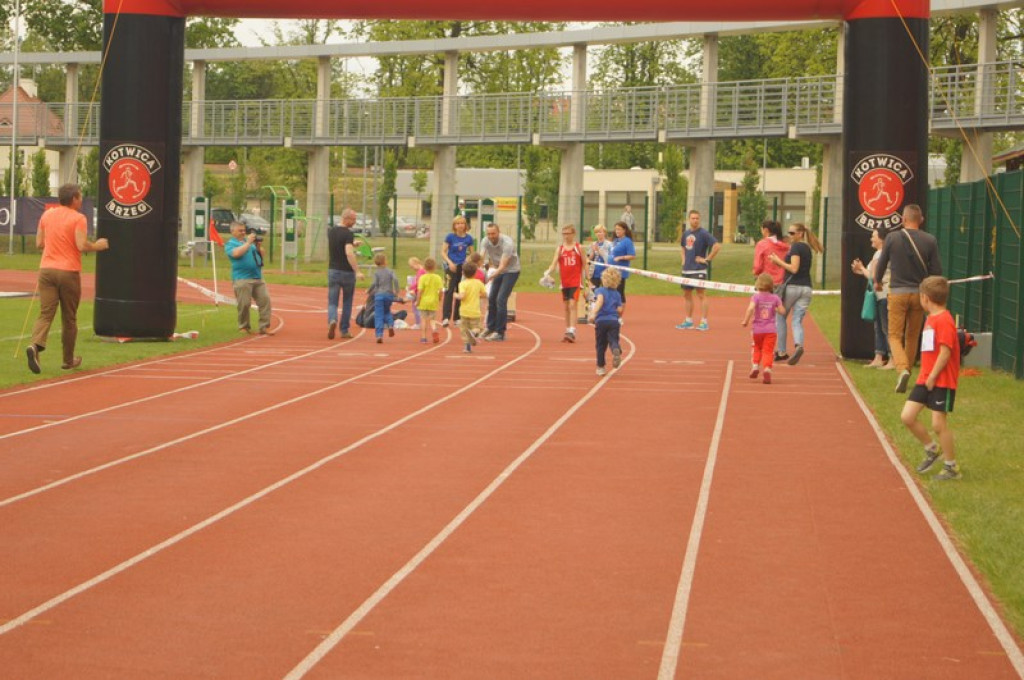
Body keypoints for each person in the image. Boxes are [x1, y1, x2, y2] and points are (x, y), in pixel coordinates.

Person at [26, 183, 110, 373]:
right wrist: (99, 245)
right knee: (69, 318)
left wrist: (55, 242)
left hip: (46, 270)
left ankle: (35, 345)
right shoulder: (79, 218)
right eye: (80, 197)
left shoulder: (47, 214)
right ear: (73, 199)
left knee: (46, 313)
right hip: (68, 272)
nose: (81, 200)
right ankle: (68, 359)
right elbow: (81, 245)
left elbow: (39, 243)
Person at [875, 204, 942, 393]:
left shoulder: (892, 238)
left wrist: (878, 281)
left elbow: (882, 264)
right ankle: (908, 371)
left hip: (897, 292)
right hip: (920, 295)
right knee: (913, 335)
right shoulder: (930, 240)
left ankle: (902, 369)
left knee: (894, 334)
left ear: (903, 220)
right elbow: (936, 271)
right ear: (921, 220)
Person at [902, 276, 961, 480]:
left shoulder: (944, 320)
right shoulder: (931, 318)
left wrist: (933, 376)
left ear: (925, 298)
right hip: (925, 377)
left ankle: (951, 466)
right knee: (907, 416)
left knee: (938, 424)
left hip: (941, 379)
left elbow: (945, 352)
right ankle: (931, 448)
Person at [768, 222, 823, 365]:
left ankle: (781, 351)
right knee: (797, 320)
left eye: (792, 233)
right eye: (789, 233)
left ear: (800, 234)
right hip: (806, 289)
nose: (789, 235)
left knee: (780, 317)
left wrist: (777, 261)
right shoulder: (807, 248)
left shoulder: (797, 247)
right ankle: (798, 345)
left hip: (793, 287)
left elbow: (794, 268)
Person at [852, 227, 893, 369]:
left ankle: (893, 358)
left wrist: (862, 268)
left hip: (885, 294)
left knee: (886, 327)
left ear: (881, 239)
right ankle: (879, 356)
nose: (871, 239)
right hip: (880, 294)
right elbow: (870, 274)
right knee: (879, 327)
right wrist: (860, 269)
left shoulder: (882, 254)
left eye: (873, 236)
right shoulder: (878, 254)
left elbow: (873, 276)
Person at [226, 220, 274, 336]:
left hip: (257, 277)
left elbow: (261, 254)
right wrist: (247, 243)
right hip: (242, 278)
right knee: (244, 304)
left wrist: (257, 246)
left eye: (244, 230)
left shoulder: (250, 244)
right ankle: (244, 326)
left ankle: (265, 326)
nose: (243, 232)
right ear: (232, 231)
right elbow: (236, 254)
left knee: (265, 300)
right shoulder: (230, 244)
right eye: (240, 230)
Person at [675, 209, 721, 331]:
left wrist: (707, 259)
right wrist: (683, 260)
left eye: (697, 218)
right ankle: (688, 321)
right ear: (689, 219)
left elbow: (717, 246)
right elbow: (683, 248)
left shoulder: (704, 233)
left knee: (701, 294)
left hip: (698, 270)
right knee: (686, 294)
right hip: (686, 270)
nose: (695, 220)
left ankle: (704, 321)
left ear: (699, 220)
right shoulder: (686, 234)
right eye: (693, 218)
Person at [741, 273, 787, 384]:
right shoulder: (775, 298)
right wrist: (775, 309)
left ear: (758, 284)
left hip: (757, 329)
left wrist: (745, 321)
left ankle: (755, 366)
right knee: (768, 350)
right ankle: (767, 369)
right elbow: (783, 311)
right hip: (770, 330)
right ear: (771, 285)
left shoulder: (755, 297)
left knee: (756, 347)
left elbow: (750, 309)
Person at [544, 224, 585, 342]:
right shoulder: (560, 249)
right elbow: (553, 263)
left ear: (573, 234)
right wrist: (547, 273)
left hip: (575, 281)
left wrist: (589, 281)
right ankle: (567, 329)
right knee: (566, 306)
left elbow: (585, 263)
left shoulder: (578, 248)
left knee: (573, 305)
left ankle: (572, 330)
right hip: (564, 282)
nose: (566, 236)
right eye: (564, 234)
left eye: (568, 233)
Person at [326, 208, 363, 340]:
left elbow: (339, 245)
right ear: (346, 218)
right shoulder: (348, 233)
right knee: (347, 302)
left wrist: (353, 244)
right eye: (353, 219)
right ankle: (344, 329)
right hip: (347, 272)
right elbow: (348, 253)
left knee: (332, 301)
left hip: (333, 271)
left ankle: (332, 319)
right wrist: (357, 270)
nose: (354, 222)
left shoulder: (331, 231)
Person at [480, 223, 520, 342]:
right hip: (498, 270)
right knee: (492, 298)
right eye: (488, 234)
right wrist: (477, 270)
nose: (491, 236)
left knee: (501, 299)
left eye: (493, 234)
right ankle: (490, 327)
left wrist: (490, 276)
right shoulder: (485, 241)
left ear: (499, 232)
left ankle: (500, 332)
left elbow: (503, 265)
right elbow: (481, 257)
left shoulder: (507, 243)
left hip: (511, 271)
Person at [587, 267, 624, 377]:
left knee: (600, 345)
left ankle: (601, 367)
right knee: (613, 340)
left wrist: (593, 314)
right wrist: (618, 316)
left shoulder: (600, 291)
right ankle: (615, 349)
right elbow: (620, 309)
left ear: (603, 279)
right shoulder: (617, 294)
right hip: (613, 321)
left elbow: (599, 301)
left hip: (601, 321)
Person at [442, 215, 474, 326]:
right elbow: (443, 252)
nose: (460, 225)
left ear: (465, 225)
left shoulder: (468, 238)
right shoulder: (450, 237)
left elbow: (472, 253)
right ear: (454, 225)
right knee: (448, 291)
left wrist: (467, 260)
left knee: (461, 291)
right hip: (450, 267)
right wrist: (450, 263)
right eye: (458, 223)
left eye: (462, 223)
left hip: (462, 267)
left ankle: (457, 318)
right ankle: (445, 317)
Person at [365, 252, 401, 343]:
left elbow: (374, 284)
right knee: (387, 311)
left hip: (379, 295)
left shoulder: (376, 273)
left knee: (379, 315)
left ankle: (379, 335)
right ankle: (390, 325)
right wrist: (396, 291)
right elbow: (396, 280)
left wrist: (369, 291)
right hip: (389, 295)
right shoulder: (390, 271)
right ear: (385, 262)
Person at [454, 261, 487, 353]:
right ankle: (474, 332)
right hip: (475, 311)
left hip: (464, 311)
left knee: (464, 330)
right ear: (476, 272)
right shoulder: (478, 283)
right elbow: (484, 295)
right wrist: (477, 295)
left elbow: (462, 296)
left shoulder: (462, 284)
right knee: (478, 327)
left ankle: (467, 347)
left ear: (463, 273)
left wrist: (455, 295)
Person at [609, 221, 636, 321]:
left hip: (620, 272)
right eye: (616, 229)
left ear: (624, 230)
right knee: (611, 293)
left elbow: (632, 255)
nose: (617, 231)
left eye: (619, 229)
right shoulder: (615, 241)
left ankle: (619, 317)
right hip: (611, 271)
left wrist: (621, 257)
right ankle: (612, 313)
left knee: (619, 293)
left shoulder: (627, 241)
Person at [752, 219, 790, 287]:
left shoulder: (762, 244)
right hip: (784, 282)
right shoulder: (786, 246)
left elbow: (758, 266)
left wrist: (755, 273)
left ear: (765, 230)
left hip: (767, 283)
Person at [415, 258, 444, 344]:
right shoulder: (438, 278)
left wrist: (417, 301)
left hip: (424, 301)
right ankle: (434, 329)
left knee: (423, 319)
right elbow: (441, 290)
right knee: (432, 319)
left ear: (424, 267)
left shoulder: (422, 278)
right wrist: (439, 298)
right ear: (434, 267)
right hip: (433, 301)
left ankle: (423, 337)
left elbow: (420, 291)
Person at [587, 224, 613, 289]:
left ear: (604, 233)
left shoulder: (609, 244)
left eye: (600, 232)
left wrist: (599, 250)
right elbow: (589, 259)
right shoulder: (593, 244)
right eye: (597, 232)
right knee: (593, 293)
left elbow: (609, 259)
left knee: (606, 292)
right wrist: (593, 251)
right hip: (594, 272)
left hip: (605, 272)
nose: (598, 234)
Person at [406, 256, 425, 329]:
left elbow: (418, 283)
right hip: (417, 291)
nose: (412, 268)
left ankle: (418, 323)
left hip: (418, 292)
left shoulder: (421, 272)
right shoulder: (420, 271)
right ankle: (418, 323)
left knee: (416, 308)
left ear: (416, 263)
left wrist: (411, 288)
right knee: (416, 307)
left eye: (412, 266)